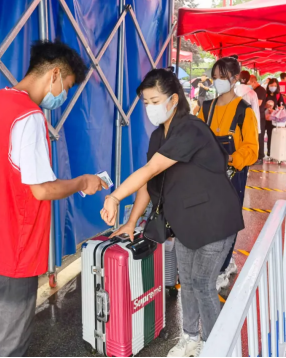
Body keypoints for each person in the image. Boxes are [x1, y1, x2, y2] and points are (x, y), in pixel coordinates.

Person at [0, 40, 107, 357]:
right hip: (8, 251)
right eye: (66, 86)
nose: (63, 96)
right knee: (9, 345)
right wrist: (83, 181)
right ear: (54, 74)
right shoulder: (28, 116)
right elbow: (42, 189)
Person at [100, 68, 245, 357]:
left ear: (174, 99)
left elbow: (150, 169)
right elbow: (149, 181)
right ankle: (190, 338)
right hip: (185, 222)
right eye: (146, 102)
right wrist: (131, 222)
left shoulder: (190, 129)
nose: (150, 108)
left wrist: (115, 196)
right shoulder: (158, 135)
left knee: (202, 284)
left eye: (155, 101)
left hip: (214, 221)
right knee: (187, 282)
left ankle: (215, 346)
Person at [199, 57, 259, 292]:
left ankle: (223, 267)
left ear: (235, 79)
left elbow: (252, 149)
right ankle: (217, 262)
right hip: (208, 174)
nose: (217, 81)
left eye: (223, 77)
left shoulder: (244, 111)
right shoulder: (205, 107)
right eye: (215, 77)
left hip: (233, 175)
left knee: (227, 221)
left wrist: (231, 158)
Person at [265, 79, 286, 159]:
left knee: (272, 135)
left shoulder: (278, 95)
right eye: (271, 85)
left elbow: (282, 106)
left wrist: (277, 109)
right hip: (264, 118)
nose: (273, 87)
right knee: (262, 135)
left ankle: (271, 152)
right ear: (268, 85)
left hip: (273, 119)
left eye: (274, 86)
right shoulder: (265, 94)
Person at [250, 75, 267, 163]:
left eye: (249, 82)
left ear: (253, 82)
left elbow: (259, 103)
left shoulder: (260, 90)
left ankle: (260, 156)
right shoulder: (253, 90)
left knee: (259, 136)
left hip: (259, 116)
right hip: (255, 115)